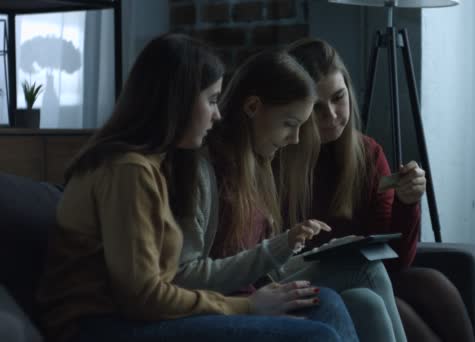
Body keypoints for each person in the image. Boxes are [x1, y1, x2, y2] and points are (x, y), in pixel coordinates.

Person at [35, 33, 357, 342]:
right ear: (179, 102)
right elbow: (142, 297)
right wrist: (246, 306)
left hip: (130, 317)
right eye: (212, 100)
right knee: (318, 337)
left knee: (323, 303)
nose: (218, 115)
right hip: (100, 327)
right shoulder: (128, 170)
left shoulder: (154, 166)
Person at [203, 49, 407, 342]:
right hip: (246, 292)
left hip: (263, 280)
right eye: (291, 124)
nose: (295, 137)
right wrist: (282, 246)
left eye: (339, 98)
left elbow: (400, 259)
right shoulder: (217, 168)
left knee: (367, 302)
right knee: (367, 270)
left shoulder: (259, 160)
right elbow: (212, 268)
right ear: (252, 107)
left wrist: (295, 246)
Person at [283, 37, 475, 342]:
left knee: (435, 284)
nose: (332, 115)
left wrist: (406, 202)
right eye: (317, 108)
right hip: (310, 277)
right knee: (394, 309)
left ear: (349, 91)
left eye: (338, 97)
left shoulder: (367, 154)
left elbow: (397, 262)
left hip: (369, 273)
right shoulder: (281, 156)